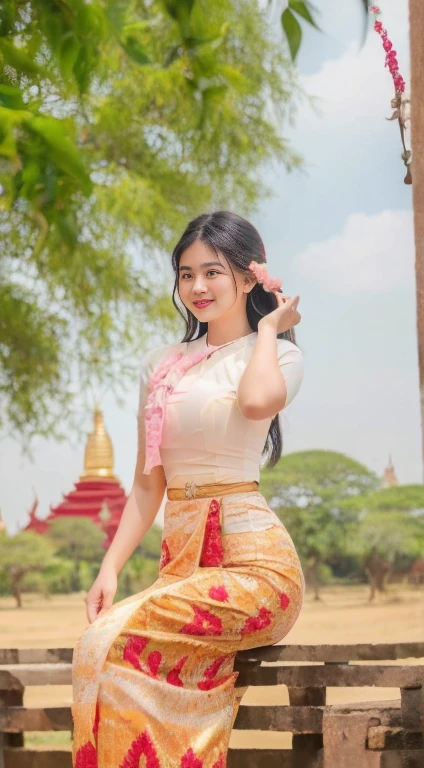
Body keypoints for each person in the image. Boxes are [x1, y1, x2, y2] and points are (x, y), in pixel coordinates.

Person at [71, 210, 305, 768]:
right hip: (185, 570)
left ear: (250, 278)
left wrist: (269, 329)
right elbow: (147, 485)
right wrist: (111, 567)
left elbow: (255, 404)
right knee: (94, 648)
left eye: (213, 273)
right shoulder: (163, 364)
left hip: (258, 574)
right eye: (185, 274)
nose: (197, 287)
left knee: (115, 638)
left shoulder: (279, 354)